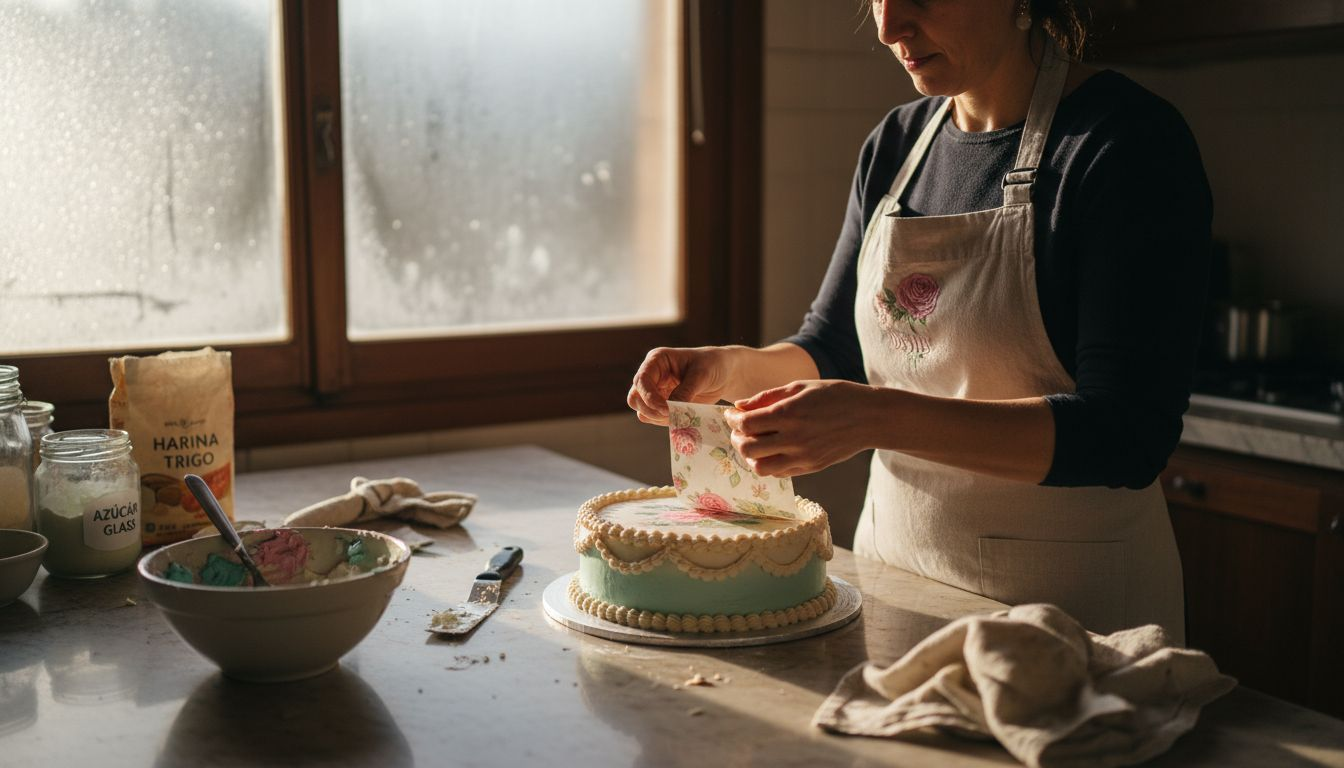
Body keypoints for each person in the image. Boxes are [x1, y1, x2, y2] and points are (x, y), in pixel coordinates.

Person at [627, 0, 1210, 644]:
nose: (887, 26)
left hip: (1070, 618)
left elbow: (1128, 433)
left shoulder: (1124, 143)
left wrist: (876, 418)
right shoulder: (898, 144)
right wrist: (727, 369)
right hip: (896, 582)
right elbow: (835, 348)